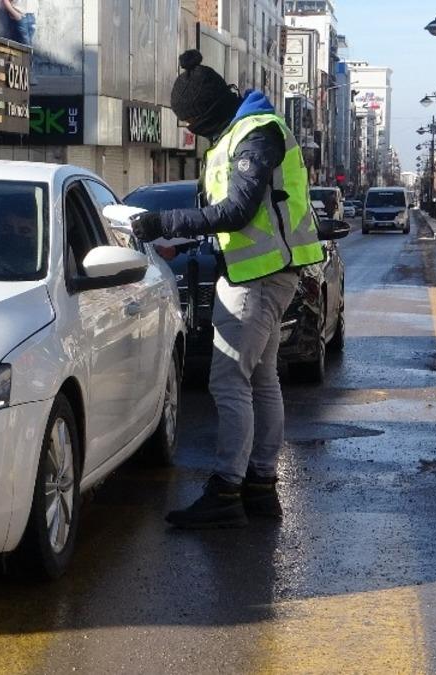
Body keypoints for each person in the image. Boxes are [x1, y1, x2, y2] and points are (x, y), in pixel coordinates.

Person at [131, 50, 324, 529]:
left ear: (208, 112)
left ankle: (227, 489)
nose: (192, 132)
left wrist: (163, 223)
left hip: (257, 280)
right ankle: (260, 488)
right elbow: (238, 223)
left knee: (228, 381)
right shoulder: (238, 133)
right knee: (260, 379)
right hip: (258, 273)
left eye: (193, 122)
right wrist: (186, 244)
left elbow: (239, 211)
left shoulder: (255, 134)